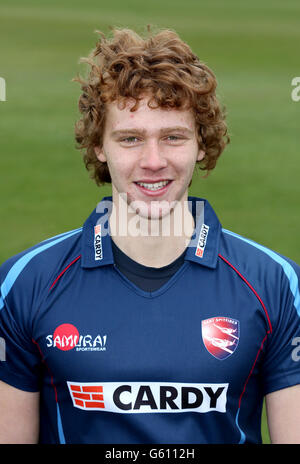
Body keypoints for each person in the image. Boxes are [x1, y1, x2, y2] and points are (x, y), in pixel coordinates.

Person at [0, 27, 300, 445]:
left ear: (200, 143)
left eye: (173, 137)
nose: (153, 161)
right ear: (100, 146)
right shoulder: (23, 284)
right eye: (130, 139)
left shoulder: (277, 285)